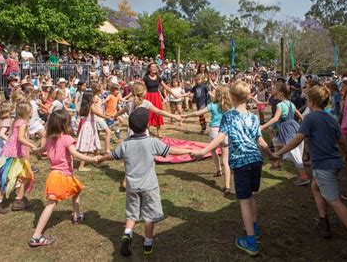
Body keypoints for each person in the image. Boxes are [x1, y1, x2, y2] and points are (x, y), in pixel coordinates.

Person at [273, 86, 347, 260]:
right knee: (315, 187)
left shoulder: (310, 119)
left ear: (311, 102)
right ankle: (323, 221)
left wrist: (278, 153)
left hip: (324, 165)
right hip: (333, 163)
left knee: (335, 201)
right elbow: (341, 141)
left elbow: (297, 139)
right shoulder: (331, 118)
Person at [191, 81, 273, 257]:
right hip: (256, 161)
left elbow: (220, 137)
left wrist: (203, 151)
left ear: (232, 97)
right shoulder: (253, 117)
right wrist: (271, 155)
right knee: (251, 196)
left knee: (243, 200)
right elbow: (261, 141)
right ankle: (254, 228)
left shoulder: (228, 116)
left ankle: (250, 241)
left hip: (242, 162)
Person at [99, 107, 193, 256]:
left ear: (130, 127)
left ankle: (127, 233)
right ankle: (148, 243)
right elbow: (171, 151)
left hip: (131, 186)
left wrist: (101, 158)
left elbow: (112, 155)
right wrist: (188, 150)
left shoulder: (125, 143)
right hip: (149, 186)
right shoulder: (152, 142)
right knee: (149, 216)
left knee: (131, 213)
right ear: (148, 126)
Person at [29, 110, 102, 247]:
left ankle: (76, 216)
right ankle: (36, 236)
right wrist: (93, 159)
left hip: (60, 175)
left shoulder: (50, 139)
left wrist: (35, 150)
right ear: (65, 124)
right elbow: (77, 154)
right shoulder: (67, 139)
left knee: (77, 190)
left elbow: (42, 149)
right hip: (60, 176)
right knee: (51, 204)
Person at [183, 85, 233, 194]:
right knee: (226, 159)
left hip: (215, 131)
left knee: (213, 150)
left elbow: (198, 112)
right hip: (226, 133)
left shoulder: (213, 105)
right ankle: (227, 186)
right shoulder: (231, 107)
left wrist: (187, 115)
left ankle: (218, 170)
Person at [261, 82, 308, 185]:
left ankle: (303, 176)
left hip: (287, 130)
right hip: (293, 127)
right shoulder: (290, 103)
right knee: (276, 141)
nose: (272, 89)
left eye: (274, 88)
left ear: (280, 92)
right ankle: (276, 164)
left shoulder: (280, 105)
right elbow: (301, 117)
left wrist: (262, 126)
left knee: (294, 152)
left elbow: (276, 118)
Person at [76, 91, 109, 171]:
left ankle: (97, 162)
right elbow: (97, 113)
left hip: (89, 127)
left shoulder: (85, 106)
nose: (95, 98)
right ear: (90, 99)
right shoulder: (91, 107)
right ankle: (81, 166)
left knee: (95, 146)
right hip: (89, 129)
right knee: (86, 147)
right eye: (93, 97)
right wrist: (106, 117)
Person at [143, 63, 179, 137]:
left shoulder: (159, 78)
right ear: (149, 69)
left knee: (158, 113)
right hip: (148, 97)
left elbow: (166, 87)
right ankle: (147, 130)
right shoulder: (146, 78)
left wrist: (173, 94)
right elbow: (142, 88)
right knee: (148, 113)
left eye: (155, 67)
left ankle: (158, 131)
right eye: (152, 67)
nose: (154, 68)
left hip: (156, 97)